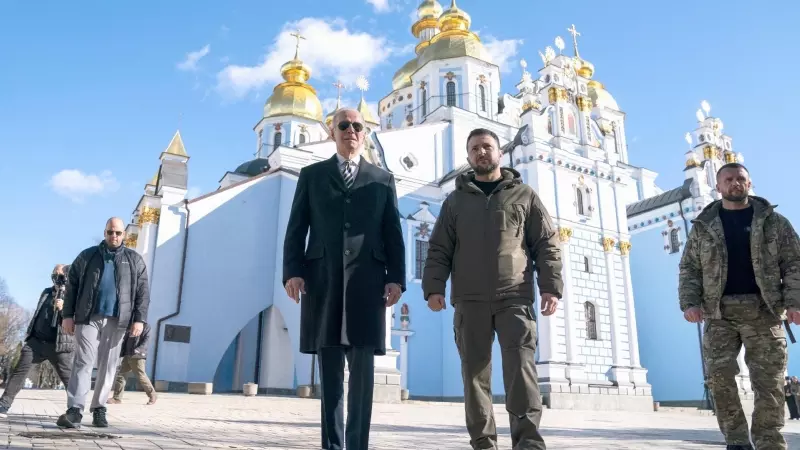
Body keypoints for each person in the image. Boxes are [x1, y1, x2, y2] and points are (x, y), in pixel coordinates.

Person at [422, 128, 563, 450]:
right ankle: (484, 444)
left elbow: (546, 244)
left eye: (487, 147)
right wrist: (433, 287)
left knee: (522, 375)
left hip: (514, 297)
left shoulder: (524, 195)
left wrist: (550, 287)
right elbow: (439, 248)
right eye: (474, 149)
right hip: (469, 301)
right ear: (469, 157)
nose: (481, 153)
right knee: (474, 379)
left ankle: (528, 443)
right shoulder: (455, 201)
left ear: (499, 153)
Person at [282, 108, 406, 450]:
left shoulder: (382, 179)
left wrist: (396, 277)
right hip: (323, 284)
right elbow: (296, 228)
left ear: (364, 134)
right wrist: (293, 271)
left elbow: (392, 233)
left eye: (357, 126)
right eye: (344, 125)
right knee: (331, 380)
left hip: (367, 286)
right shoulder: (312, 175)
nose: (351, 130)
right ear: (332, 132)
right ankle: (333, 446)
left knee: (363, 380)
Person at [679, 162, 800, 450]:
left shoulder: (774, 222)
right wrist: (689, 303)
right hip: (719, 315)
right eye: (729, 179)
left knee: (769, 383)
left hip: (764, 312)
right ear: (718, 186)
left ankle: (769, 442)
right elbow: (689, 268)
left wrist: (795, 302)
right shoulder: (703, 227)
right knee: (720, 380)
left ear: (749, 183)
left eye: (740, 179)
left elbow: (794, 263)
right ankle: (736, 441)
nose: (735, 183)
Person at [57, 217, 150, 429]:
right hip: (88, 317)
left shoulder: (134, 259)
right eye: (110, 232)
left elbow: (142, 293)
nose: (113, 236)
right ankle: (75, 410)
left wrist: (139, 319)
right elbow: (72, 286)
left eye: (117, 233)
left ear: (124, 234)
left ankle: (99, 408)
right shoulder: (87, 256)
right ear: (104, 232)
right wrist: (67, 315)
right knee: (83, 361)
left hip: (118, 319)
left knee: (109, 365)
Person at [0, 264, 74, 418]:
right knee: (19, 372)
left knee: (70, 380)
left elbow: (77, 320)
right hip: (37, 342)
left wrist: (65, 308)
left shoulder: (74, 295)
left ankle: (75, 411)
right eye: (55, 274)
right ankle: (3, 405)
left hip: (60, 345)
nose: (57, 277)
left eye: (60, 275)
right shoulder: (47, 292)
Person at [107, 322, 157, 405]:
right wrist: (122, 351)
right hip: (128, 354)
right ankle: (117, 398)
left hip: (138, 355)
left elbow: (147, 340)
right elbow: (125, 339)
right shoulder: (130, 324)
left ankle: (153, 395)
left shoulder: (146, 326)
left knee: (141, 376)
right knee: (121, 375)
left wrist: (139, 349)